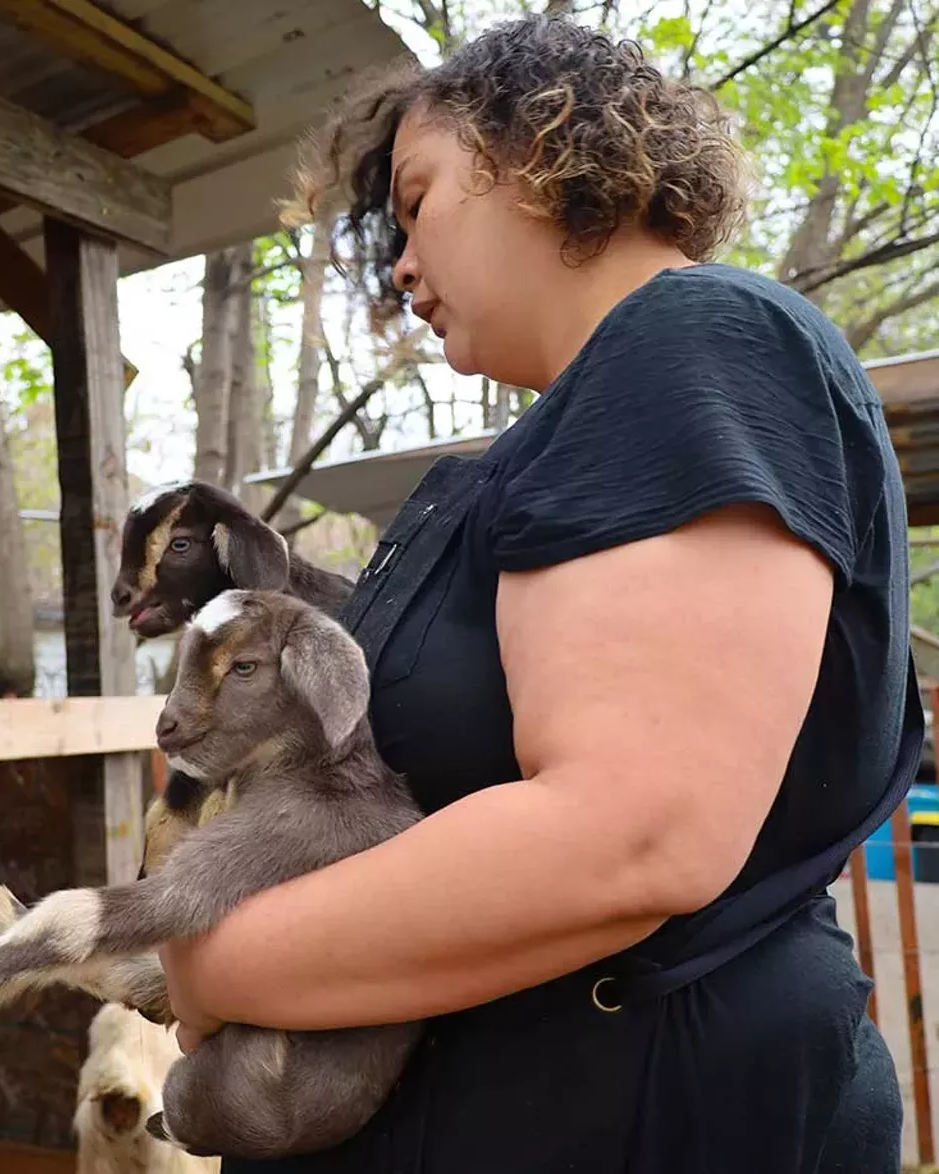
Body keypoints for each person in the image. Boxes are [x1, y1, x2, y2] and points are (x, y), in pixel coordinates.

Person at [158, 15, 923, 1173]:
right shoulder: (560, 433)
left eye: (416, 203)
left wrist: (210, 958)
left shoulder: (691, 334)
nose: (399, 265)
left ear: (533, 149)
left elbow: (629, 834)